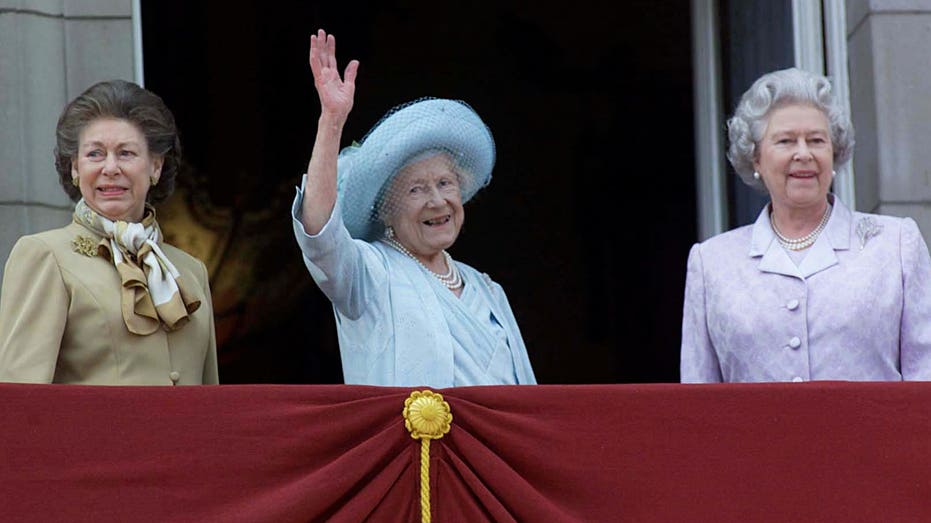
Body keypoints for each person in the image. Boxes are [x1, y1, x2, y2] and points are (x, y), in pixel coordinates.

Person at [291, 29, 536, 387]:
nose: (437, 201)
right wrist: (332, 121)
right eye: (416, 190)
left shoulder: (488, 290)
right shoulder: (370, 274)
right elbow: (319, 234)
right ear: (387, 209)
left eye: (444, 183)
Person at [680, 67, 931, 383]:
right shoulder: (711, 263)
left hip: (873, 434)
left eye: (816, 140)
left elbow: (926, 381)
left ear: (834, 152)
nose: (803, 154)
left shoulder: (895, 244)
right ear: (755, 158)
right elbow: (698, 401)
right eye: (785, 141)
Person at [0, 80, 218, 385]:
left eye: (126, 153)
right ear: (75, 168)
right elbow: (22, 399)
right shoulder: (45, 256)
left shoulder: (190, 271)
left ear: (155, 166)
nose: (111, 167)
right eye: (95, 154)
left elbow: (213, 403)